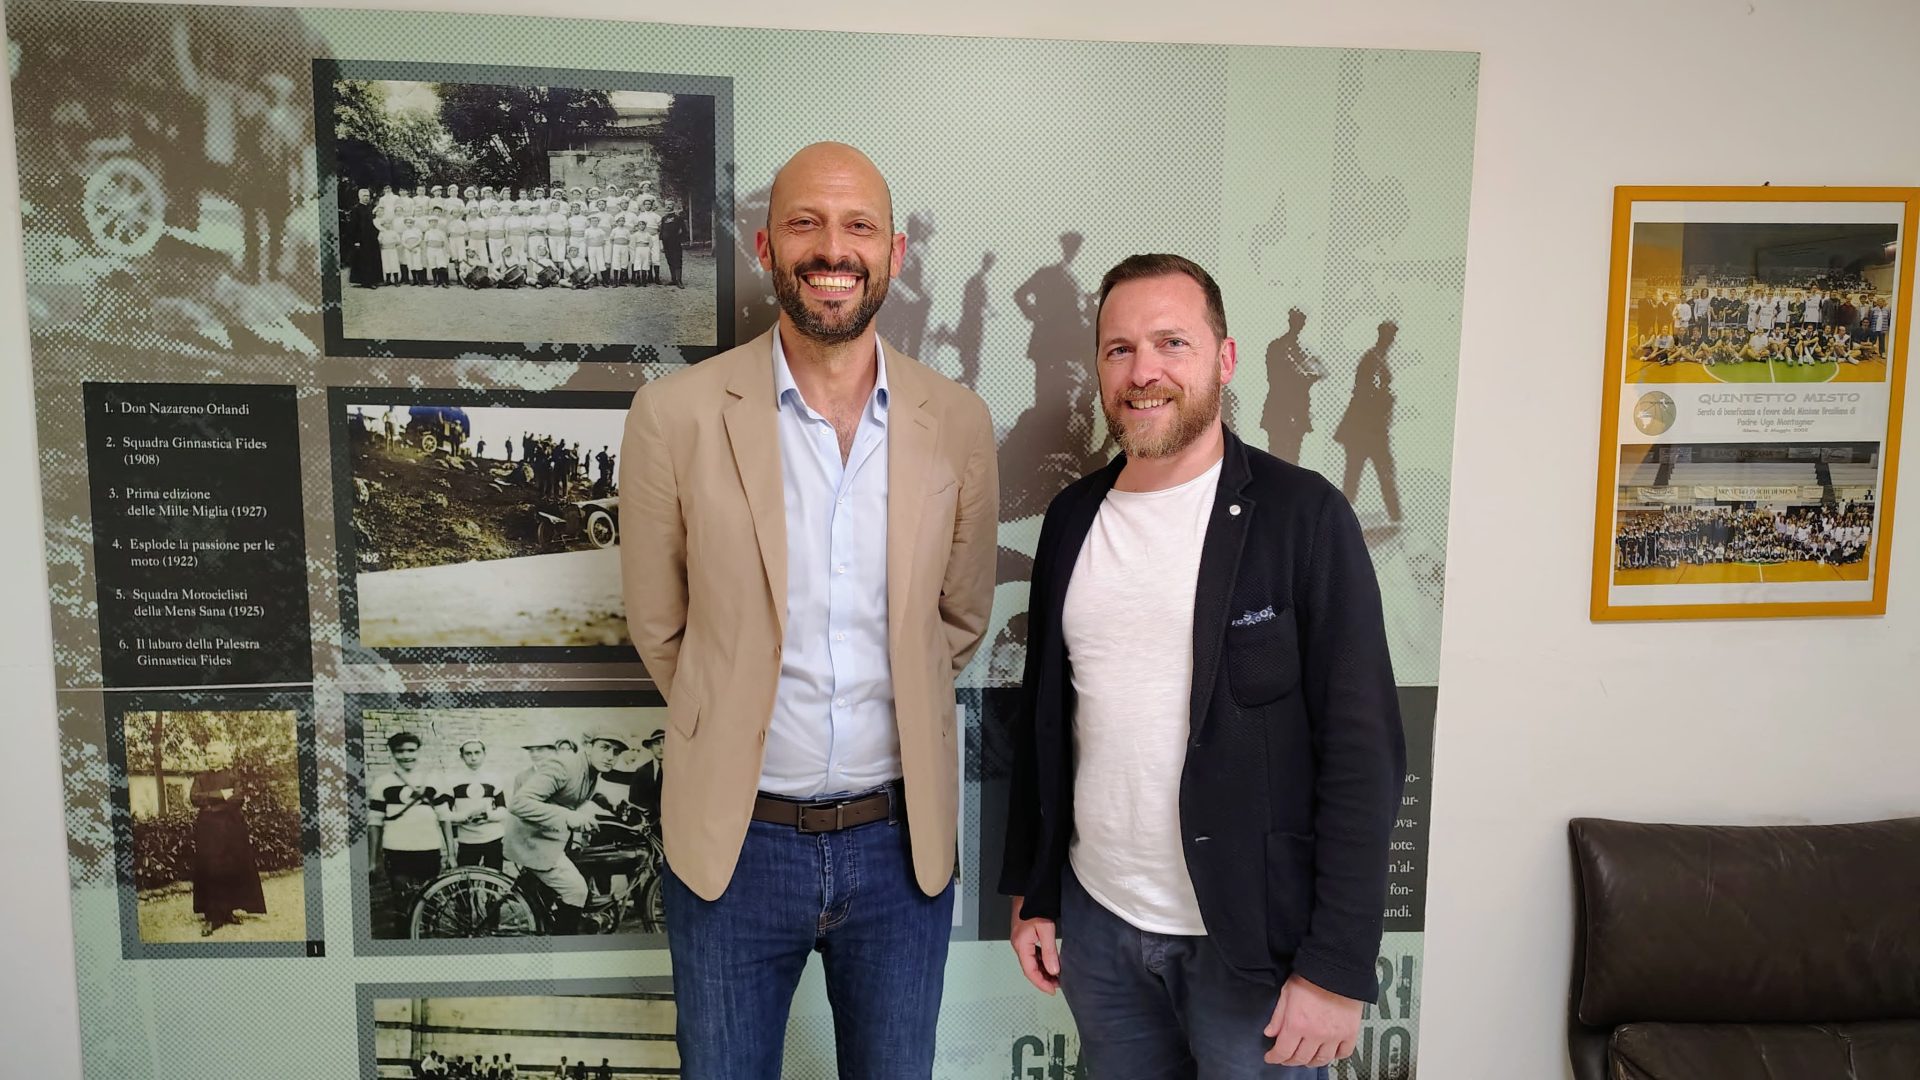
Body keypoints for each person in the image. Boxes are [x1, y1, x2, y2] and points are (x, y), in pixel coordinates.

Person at [618, 142, 998, 1080]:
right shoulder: (675, 415)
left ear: (895, 253)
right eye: (806, 224)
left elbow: (957, 620)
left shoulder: (956, 421)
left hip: (900, 851)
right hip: (735, 849)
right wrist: (731, 702)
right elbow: (661, 627)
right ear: (766, 246)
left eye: (859, 226)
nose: (834, 249)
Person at [1001, 253, 1405, 1078]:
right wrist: (1035, 892)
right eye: (1119, 349)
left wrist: (1335, 966)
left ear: (1224, 359)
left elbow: (1364, 755)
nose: (1143, 372)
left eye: (1171, 343)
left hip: (1256, 951)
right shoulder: (1074, 518)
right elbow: (1045, 719)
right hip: (1101, 931)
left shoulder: (1304, 517)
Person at [505, 733, 625, 935]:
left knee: (550, 897)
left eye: (616, 752)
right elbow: (519, 803)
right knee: (576, 891)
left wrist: (610, 810)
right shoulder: (564, 766)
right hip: (532, 839)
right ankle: (563, 945)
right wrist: (568, 816)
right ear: (588, 746)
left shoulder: (591, 771)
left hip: (552, 838)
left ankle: (551, 931)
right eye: (605, 748)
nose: (610, 757)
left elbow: (574, 795)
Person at [367, 732, 454, 936]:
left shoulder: (433, 780)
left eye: (411, 750)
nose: (406, 756)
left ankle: (429, 937)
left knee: (431, 901)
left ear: (418, 751)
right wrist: (372, 861)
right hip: (397, 850)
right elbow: (374, 823)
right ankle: (405, 941)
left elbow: (445, 818)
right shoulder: (382, 783)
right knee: (402, 902)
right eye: (400, 751)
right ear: (392, 753)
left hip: (428, 849)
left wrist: (451, 854)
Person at [187, 744, 266, 936]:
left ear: (223, 757)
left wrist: (210, 805)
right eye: (208, 753)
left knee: (230, 868)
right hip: (208, 831)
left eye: (215, 753)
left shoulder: (233, 776)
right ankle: (212, 916)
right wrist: (221, 795)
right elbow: (194, 798)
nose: (211, 756)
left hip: (231, 830)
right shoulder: (200, 778)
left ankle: (227, 911)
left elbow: (238, 799)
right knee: (211, 869)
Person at [1333, 322, 1402, 523]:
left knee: (1370, 472)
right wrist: (1386, 398)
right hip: (1365, 430)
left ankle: (1395, 516)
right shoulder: (1372, 360)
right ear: (1382, 336)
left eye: (1392, 336)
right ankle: (1339, 517)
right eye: (1389, 336)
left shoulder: (1377, 358)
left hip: (1371, 429)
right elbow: (1366, 393)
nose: (1391, 340)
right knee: (1358, 474)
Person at [450, 739, 507, 870]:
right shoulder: (452, 780)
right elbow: (446, 815)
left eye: (477, 753)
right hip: (467, 840)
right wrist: (465, 816)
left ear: (484, 754)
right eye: (468, 753)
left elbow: (503, 810)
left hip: (493, 838)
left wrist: (488, 816)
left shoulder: (494, 778)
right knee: (466, 878)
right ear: (461, 756)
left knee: (493, 878)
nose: (473, 758)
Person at [346, 187, 382, 287]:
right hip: (361, 239)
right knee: (363, 260)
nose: (366, 198)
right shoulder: (355, 209)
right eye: (364, 196)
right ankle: (366, 282)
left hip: (371, 238)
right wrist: (356, 240)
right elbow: (353, 226)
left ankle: (373, 280)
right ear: (359, 197)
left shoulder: (369, 208)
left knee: (371, 259)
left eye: (368, 196)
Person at [660, 200, 687, 287]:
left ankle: (679, 281)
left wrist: (680, 240)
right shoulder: (664, 218)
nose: (668, 206)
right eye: (666, 205)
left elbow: (684, 230)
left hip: (675, 244)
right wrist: (661, 243)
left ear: (673, 206)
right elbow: (661, 232)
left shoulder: (678, 218)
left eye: (670, 204)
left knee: (677, 261)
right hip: (666, 244)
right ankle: (673, 279)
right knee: (670, 261)